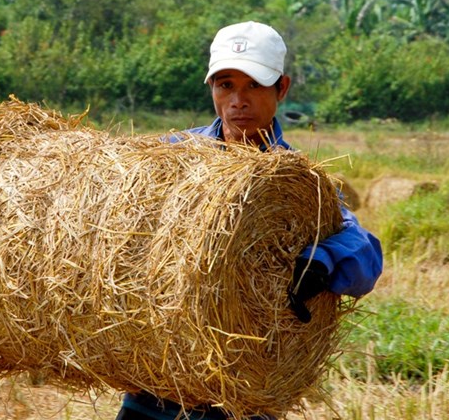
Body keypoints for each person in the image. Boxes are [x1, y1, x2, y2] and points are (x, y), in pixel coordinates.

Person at [115, 21, 384, 420]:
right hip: (155, 389)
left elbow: (364, 253)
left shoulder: (301, 182)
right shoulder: (170, 158)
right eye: (226, 85)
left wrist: (320, 262)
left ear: (282, 88)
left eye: (254, 86)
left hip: (243, 396)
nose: (238, 100)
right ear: (211, 88)